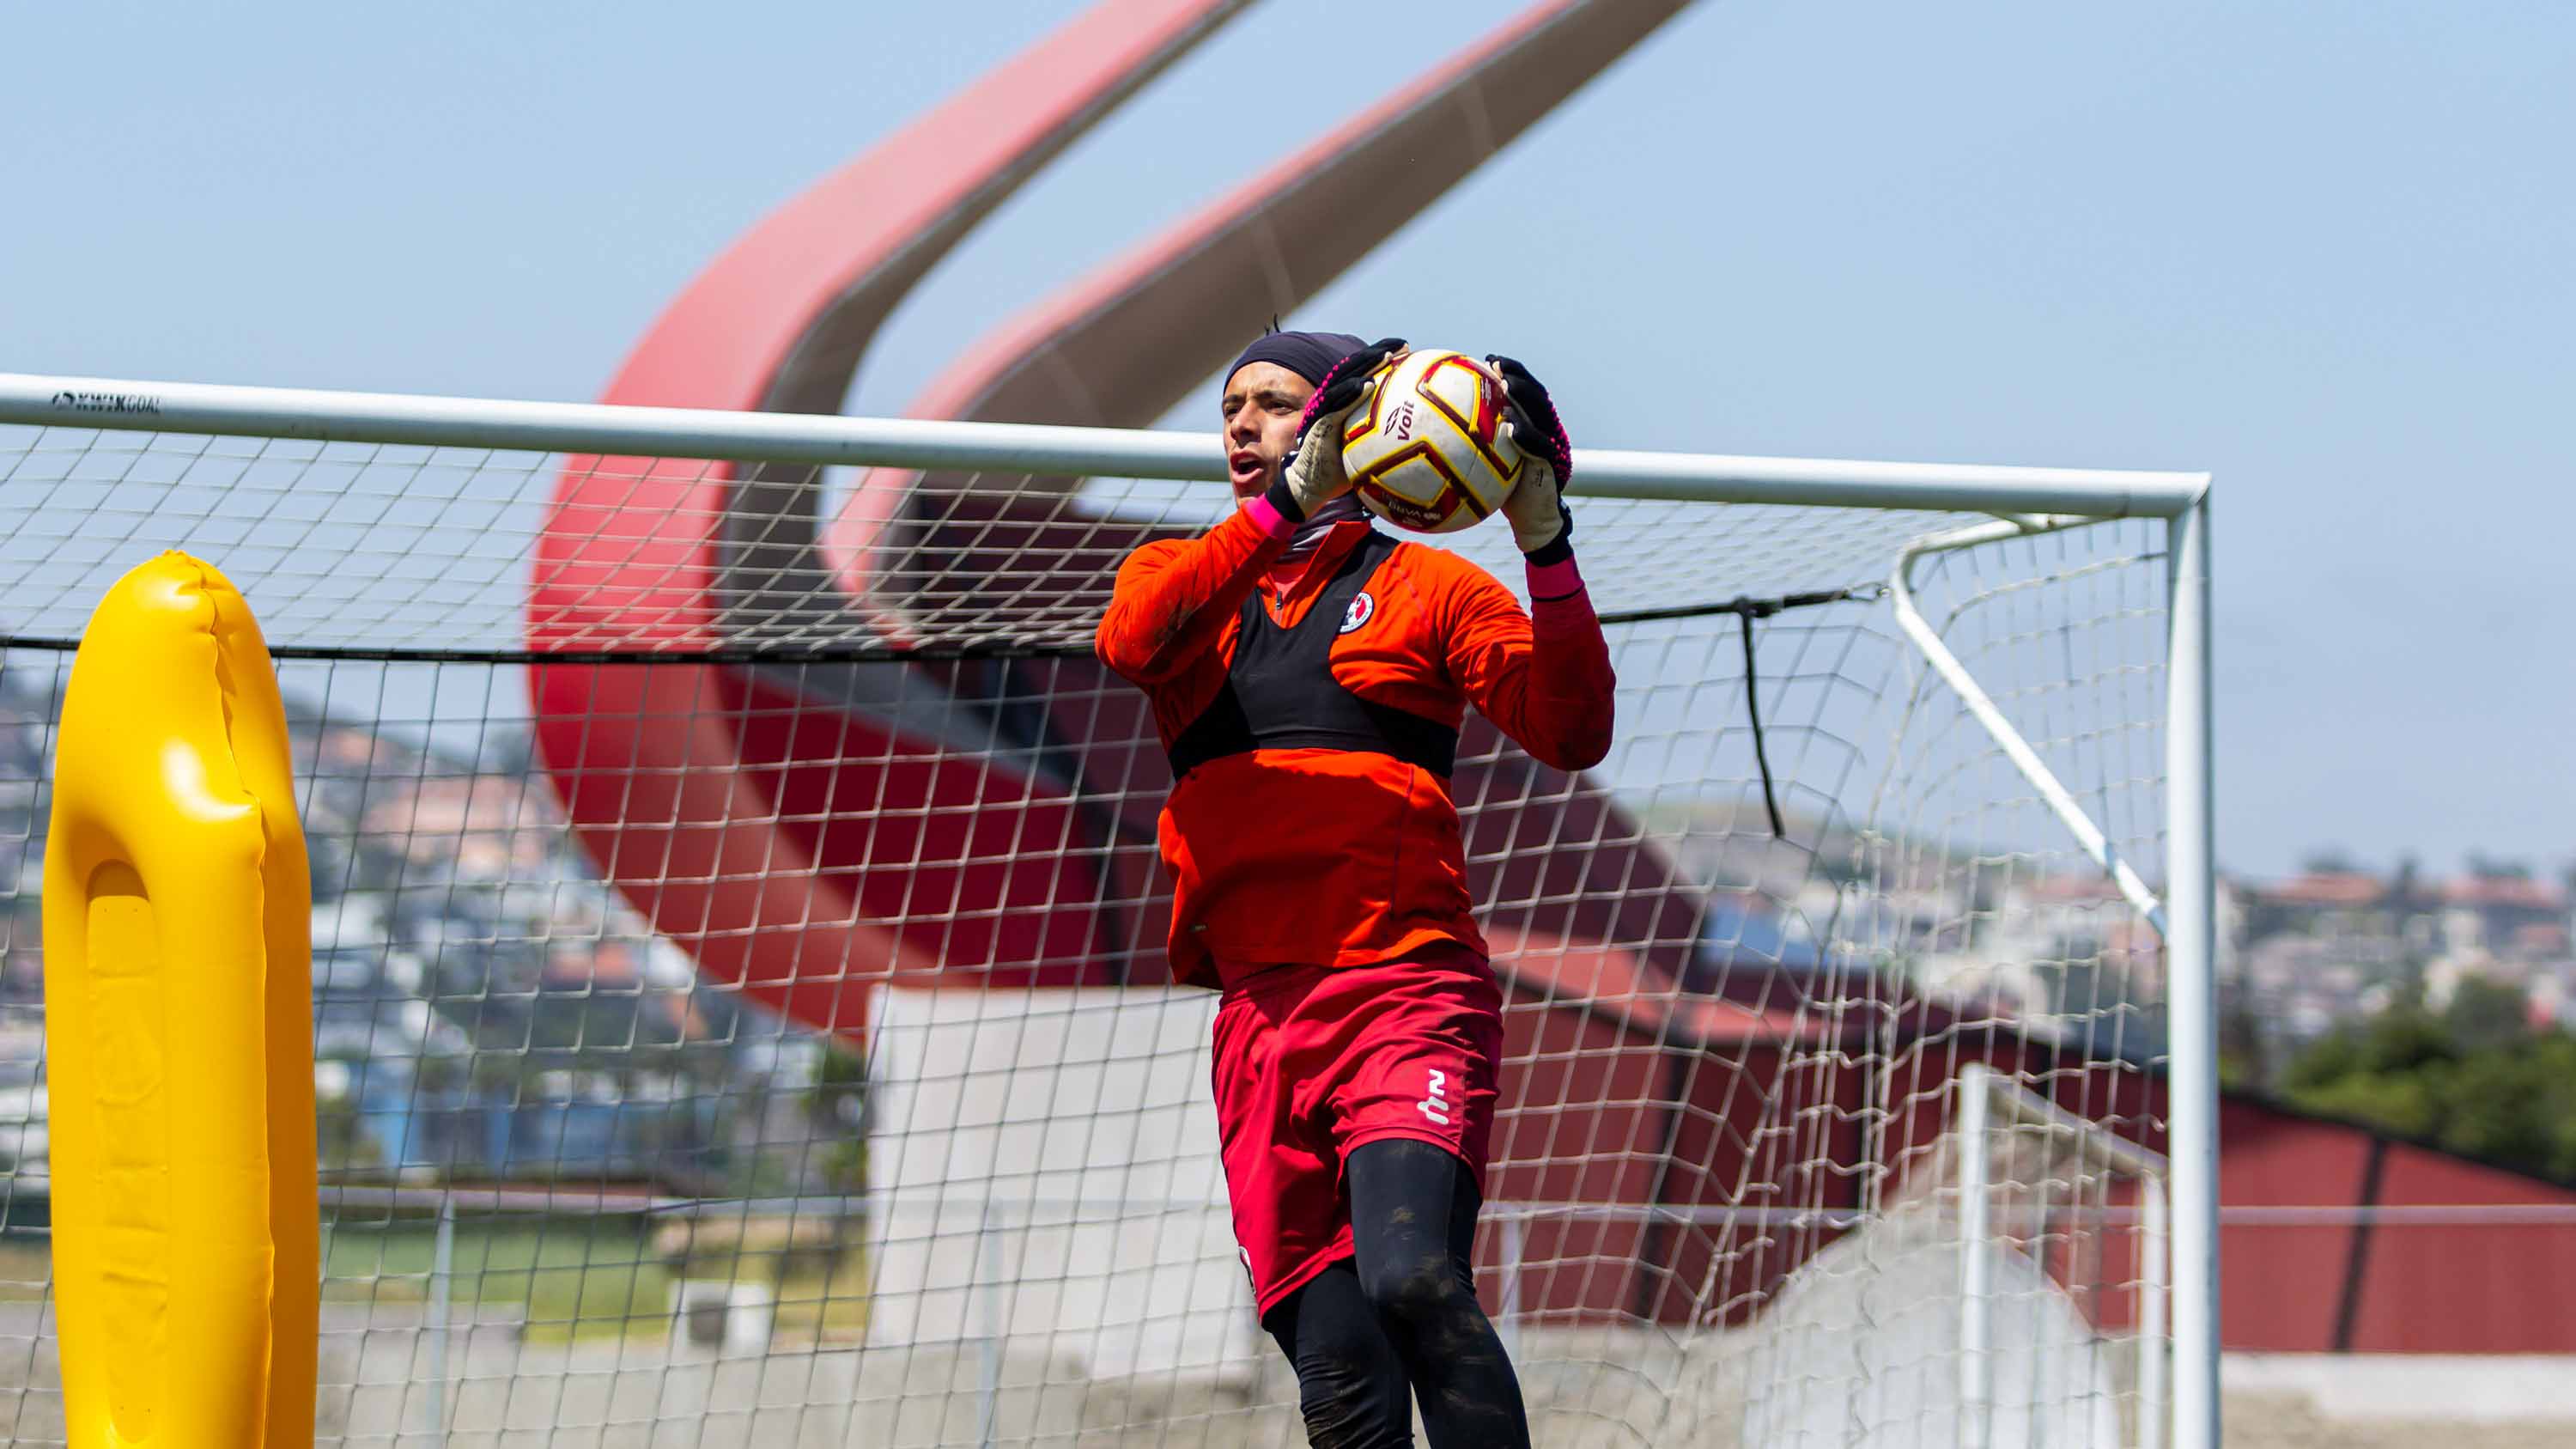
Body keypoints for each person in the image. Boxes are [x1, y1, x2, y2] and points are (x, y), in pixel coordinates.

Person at [1094, 330, 1614, 1447]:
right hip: (1259, 1025)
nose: (1240, 423)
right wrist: (1284, 502)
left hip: (1404, 999)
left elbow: (1573, 732)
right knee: (1338, 1375)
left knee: (1415, 1280)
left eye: (1275, 404)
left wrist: (1543, 538)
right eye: (1232, 407)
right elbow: (1130, 642)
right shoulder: (1178, 582)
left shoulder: (1432, 587)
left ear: (1354, 427)